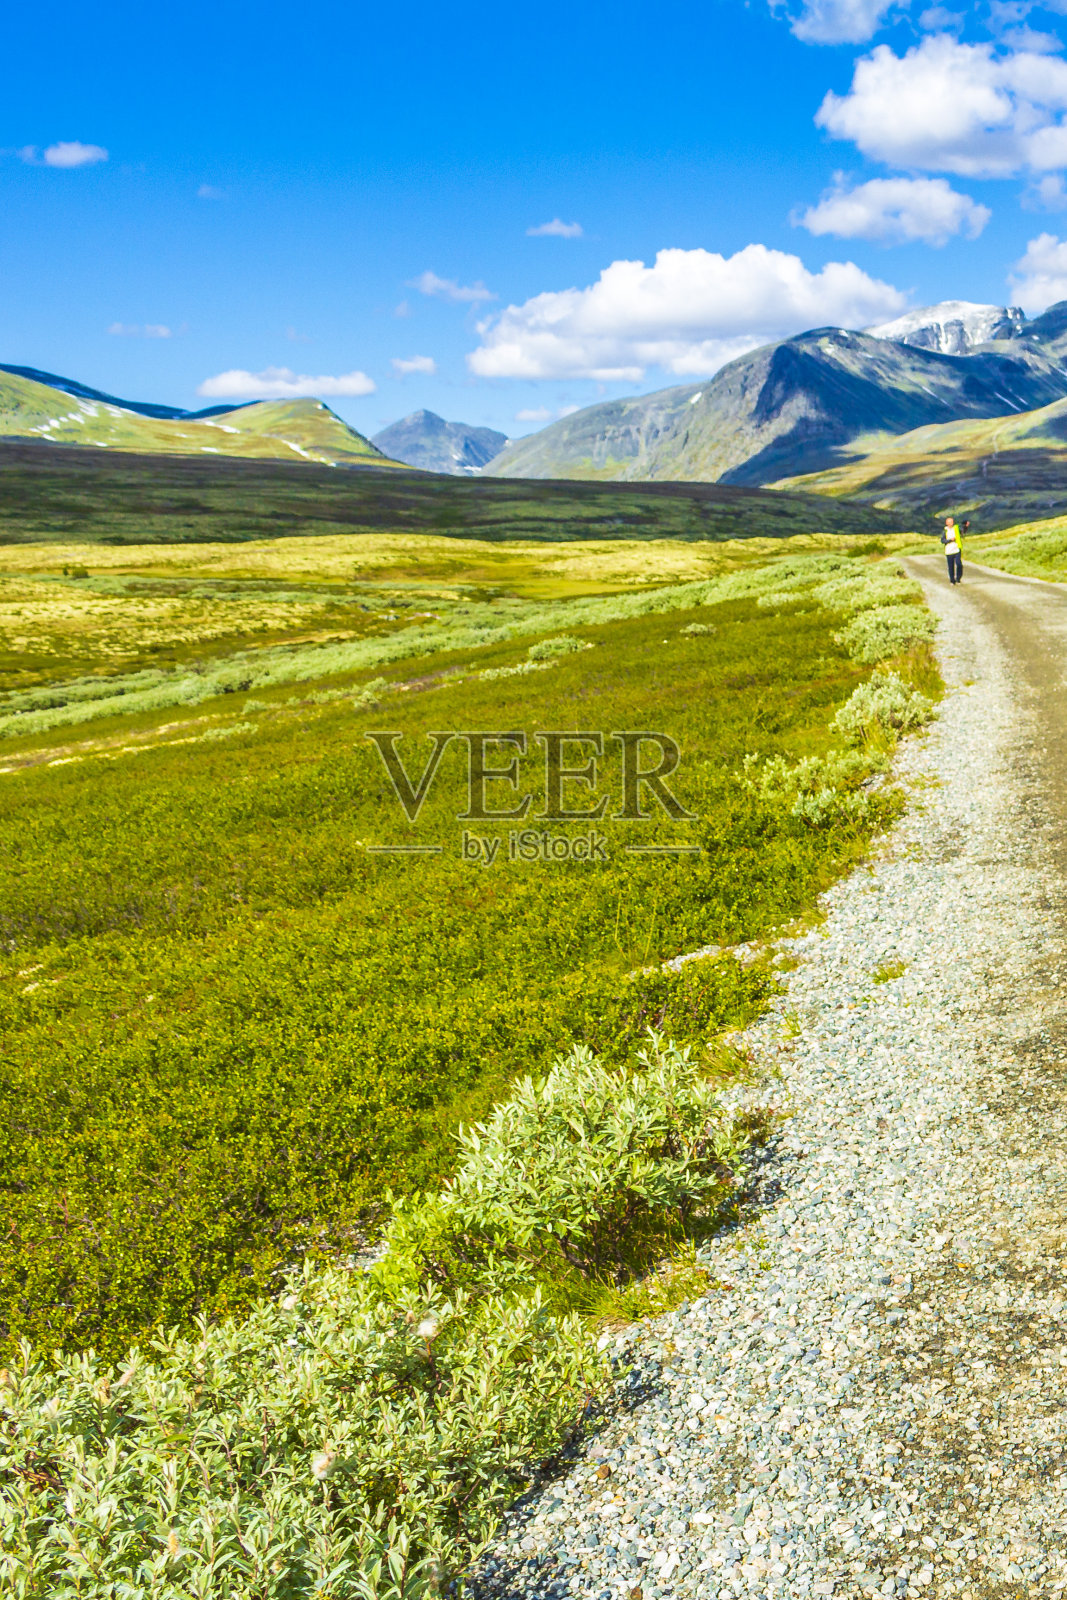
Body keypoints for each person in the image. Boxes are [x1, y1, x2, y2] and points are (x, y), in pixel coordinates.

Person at [941, 516, 963, 585]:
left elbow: (962, 532)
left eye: (952, 522)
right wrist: (950, 540)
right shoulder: (945, 531)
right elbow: (942, 540)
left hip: (957, 549)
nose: (951, 523)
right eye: (950, 522)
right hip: (949, 551)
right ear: (947, 523)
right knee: (951, 566)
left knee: (959, 564)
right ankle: (952, 580)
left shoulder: (956, 529)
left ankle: (958, 579)